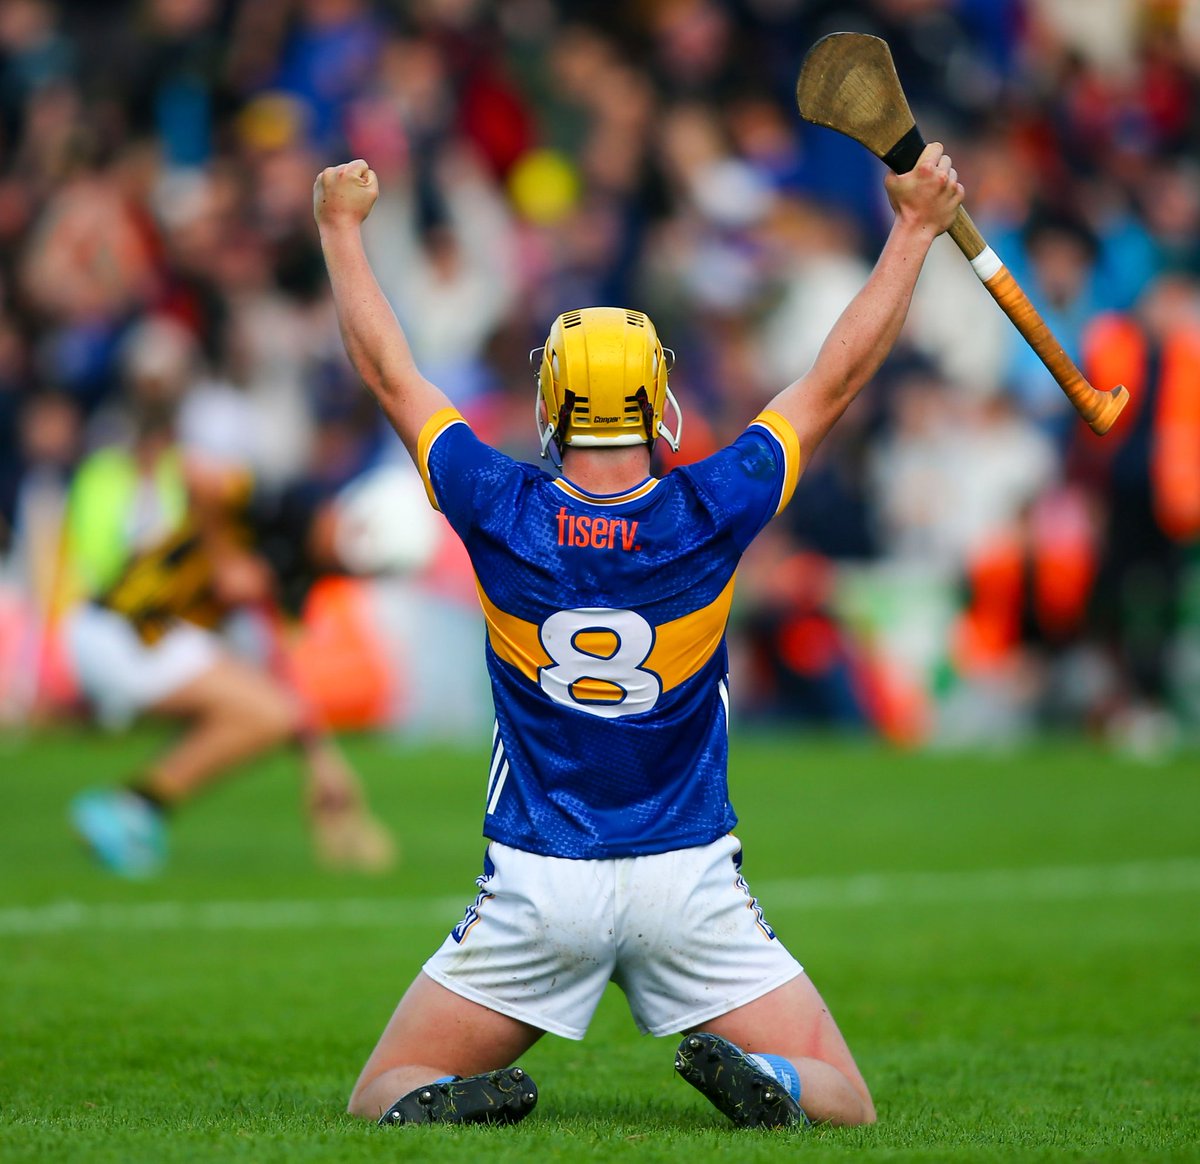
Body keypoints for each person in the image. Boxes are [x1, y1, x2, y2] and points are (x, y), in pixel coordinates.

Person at [314, 142, 964, 1130]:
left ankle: (455, 1103)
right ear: (659, 402)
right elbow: (834, 379)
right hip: (687, 879)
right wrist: (915, 230)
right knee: (846, 1104)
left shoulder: (496, 503)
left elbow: (388, 372)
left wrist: (340, 230)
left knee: (380, 1097)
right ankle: (775, 1086)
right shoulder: (714, 503)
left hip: (541, 881)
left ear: (551, 402)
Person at [66, 456, 415, 878]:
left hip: (155, 639)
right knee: (270, 713)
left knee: (269, 713)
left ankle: (134, 809)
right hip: (130, 628)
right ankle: (129, 810)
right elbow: (196, 475)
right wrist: (224, 557)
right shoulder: (282, 502)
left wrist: (323, 765)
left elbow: (280, 669)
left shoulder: (308, 575)